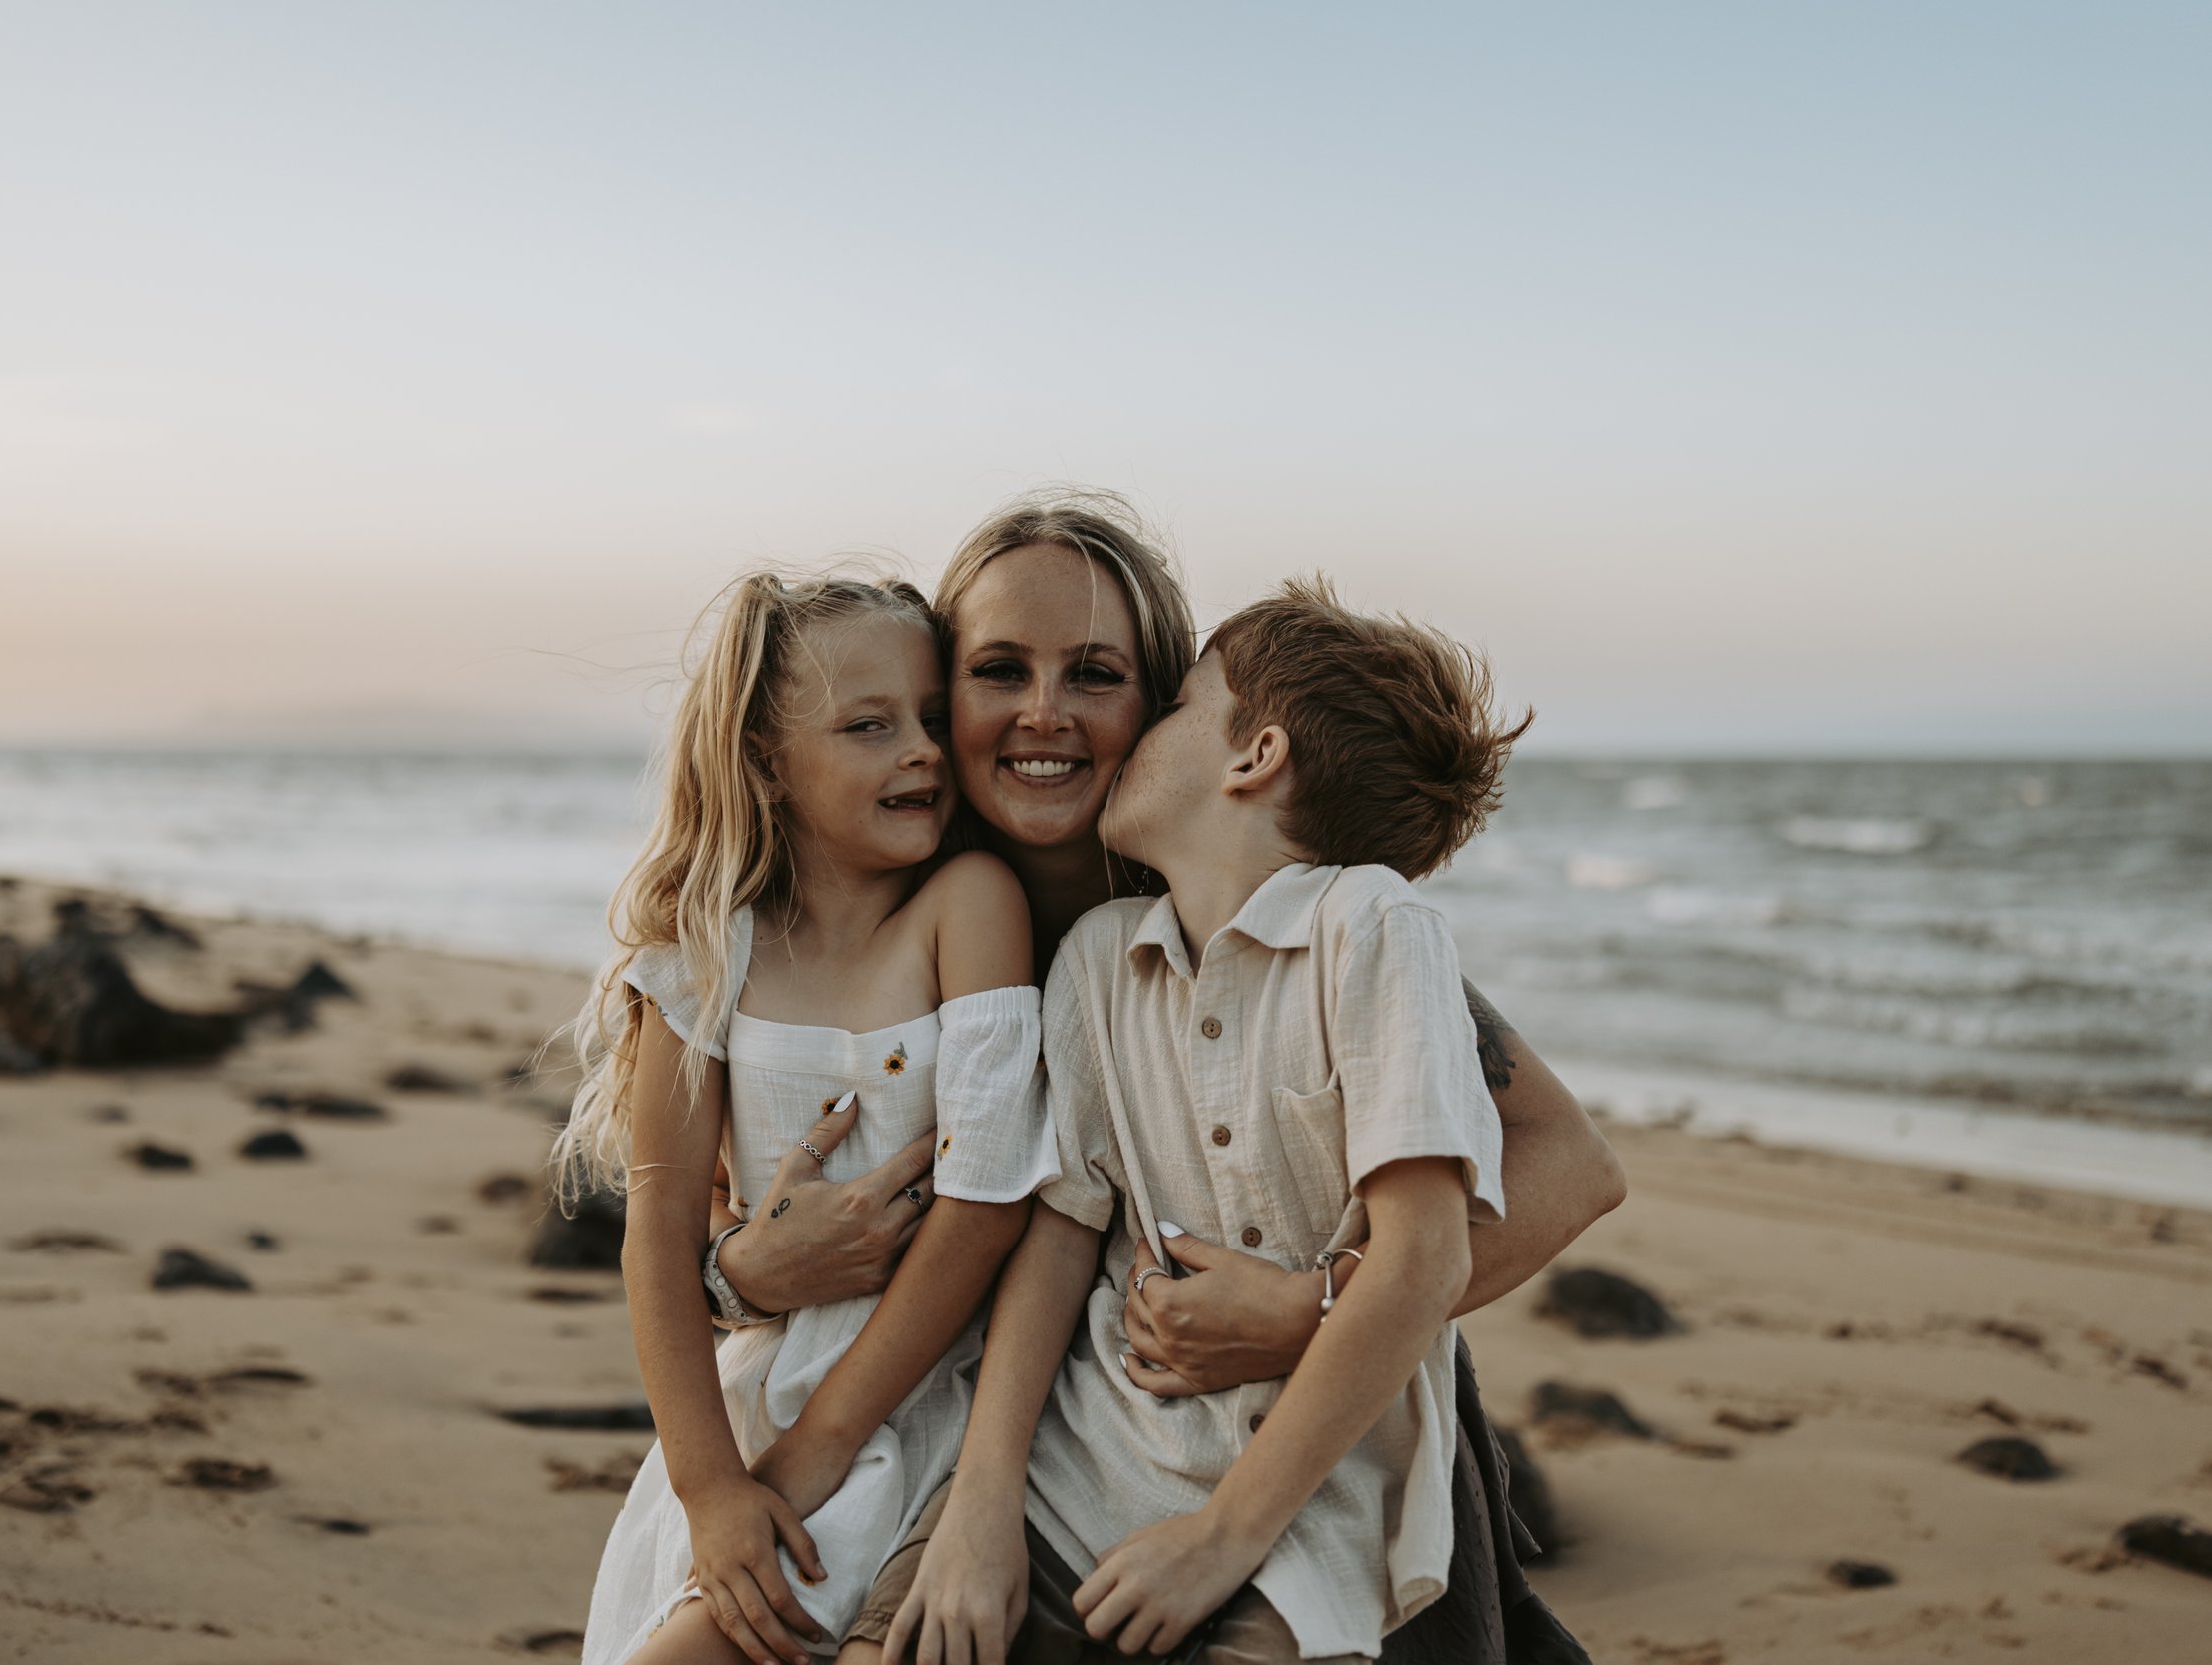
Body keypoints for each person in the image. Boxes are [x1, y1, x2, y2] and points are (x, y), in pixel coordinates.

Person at [700, 491, 1618, 1663]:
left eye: (1095, 673)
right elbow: (724, 1189)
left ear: (1165, 700)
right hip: (958, 1429)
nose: (1044, 712)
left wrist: (1305, 1308)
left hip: (1246, 1433)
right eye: (996, 669)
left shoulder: (1273, 912)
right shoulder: (883, 887)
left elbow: (1567, 1161)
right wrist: (735, 1269)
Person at [887, 577, 1525, 1665]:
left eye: (1176, 703)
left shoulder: (1372, 926)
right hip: (1083, 1464)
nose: (1140, 733)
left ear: (1254, 753)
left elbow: (1423, 1256)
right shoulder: (1097, 955)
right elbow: (1061, 1226)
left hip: (1301, 1507)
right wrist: (980, 1501)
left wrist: (1223, 1535)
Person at [560, 572, 1058, 1665]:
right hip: (749, 1413)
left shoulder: (969, 905)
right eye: (868, 725)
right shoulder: (708, 954)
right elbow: (658, 1229)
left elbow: (984, 1204)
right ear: (766, 764)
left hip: (914, 1398)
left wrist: (827, 1438)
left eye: (931, 718)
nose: (922, 750)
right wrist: (707, 1483)